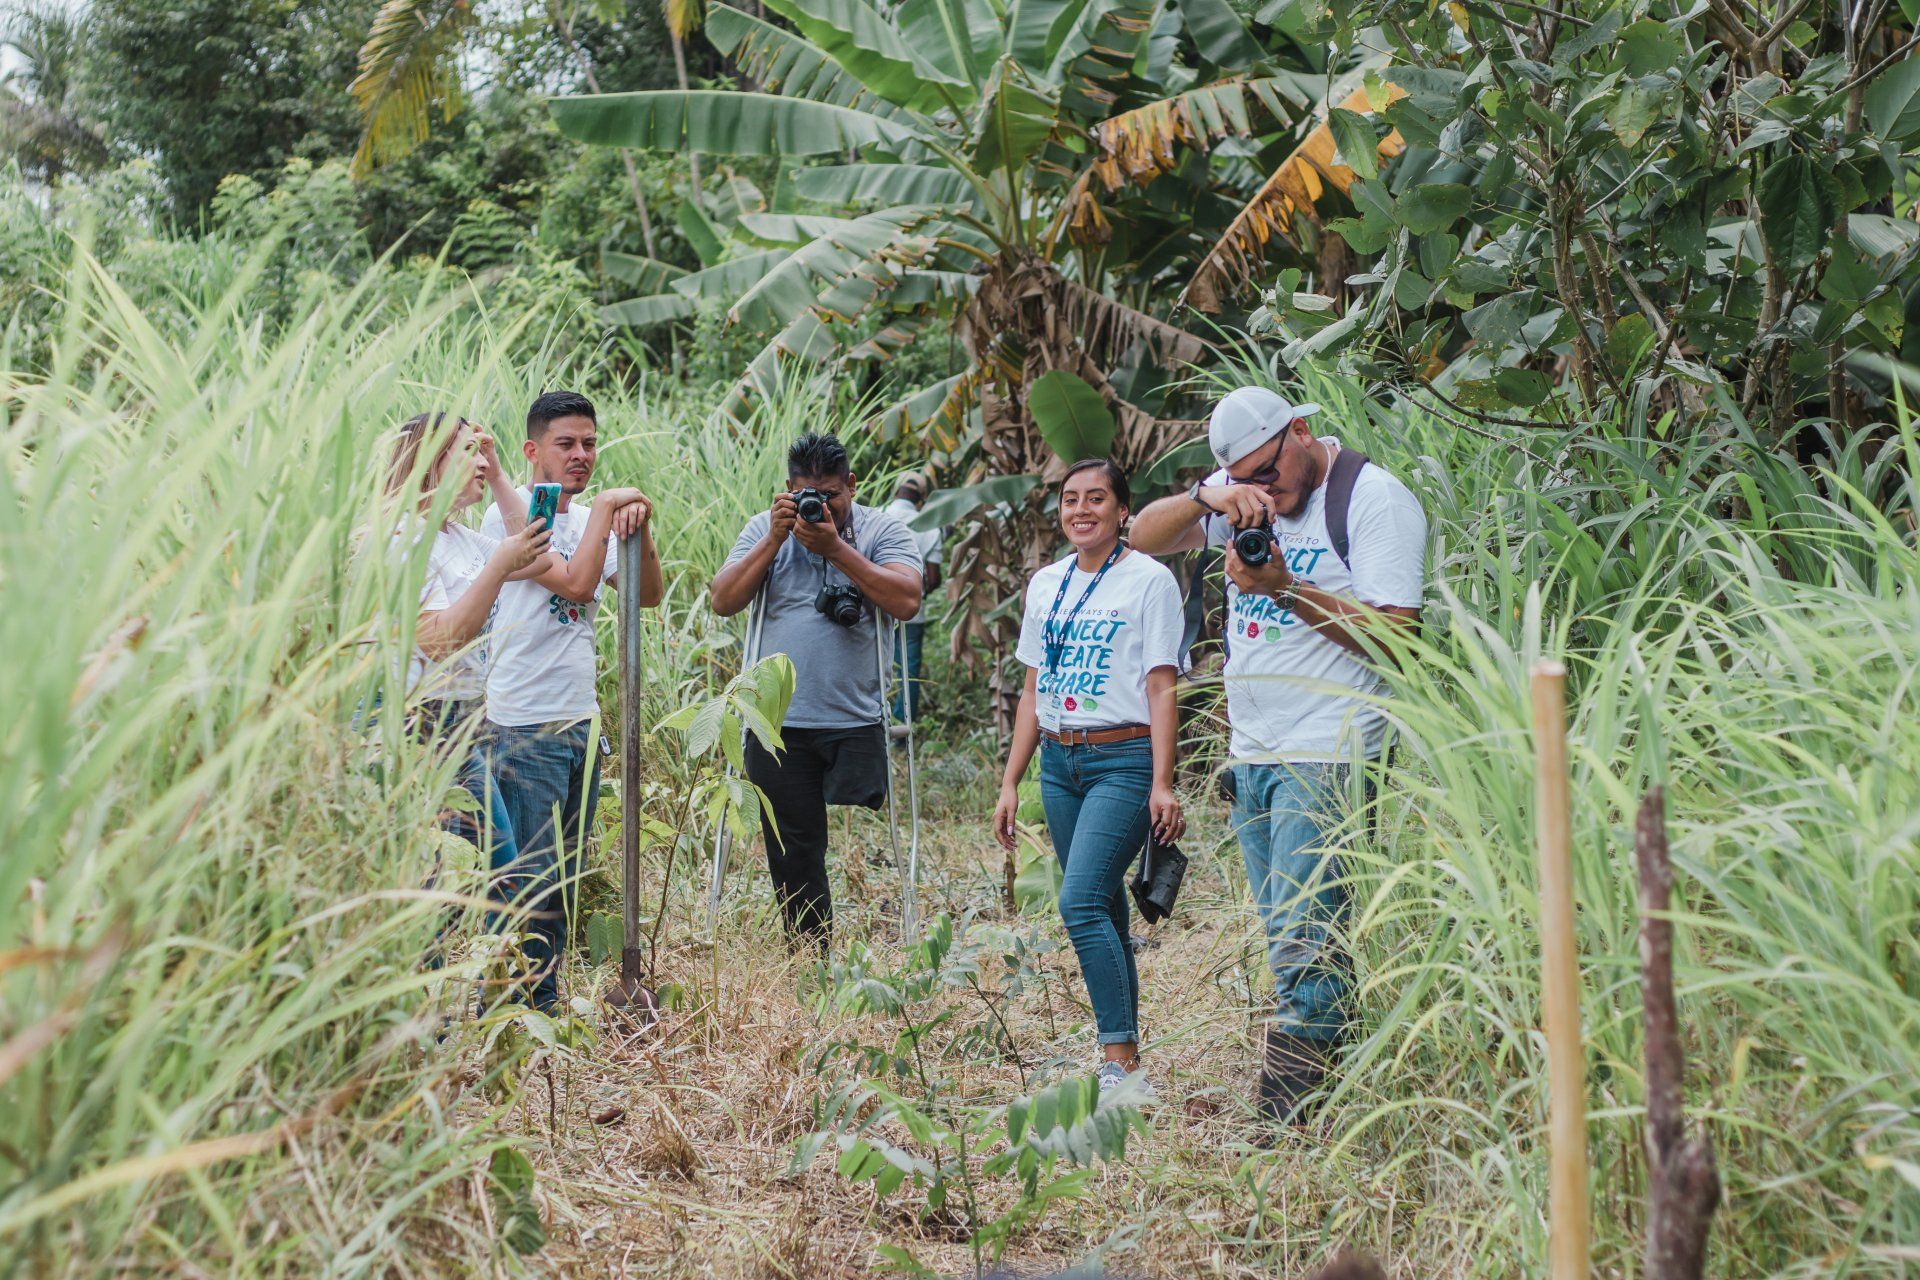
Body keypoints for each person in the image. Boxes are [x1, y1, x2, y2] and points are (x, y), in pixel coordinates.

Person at [1130, 386, 1428, 1124]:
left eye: (1270, 471)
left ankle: (1288, 1129)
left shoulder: (1372, 501)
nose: (1266, 491)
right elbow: (1139, 536)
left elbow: (1400, 640)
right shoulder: (1243, 500)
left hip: (1330, 750)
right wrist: (1211, 497)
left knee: (1306, 943)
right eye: (1249, 479)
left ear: (1300, 431)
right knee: (1290, 938)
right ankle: (1342, 1101)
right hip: (1254, 753)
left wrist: (1286, 587)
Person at [992, 459, 1186, 1093]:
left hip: (1123, 761)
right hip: (1059, 761)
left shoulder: (1150, 581)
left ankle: (1118, 1061)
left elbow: (1161, 685)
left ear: (1122, 509)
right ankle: (1129, 1062)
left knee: (1077, 903)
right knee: (1102, 906)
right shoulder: (1045, 584)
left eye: (1096, 498)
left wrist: (1163, 782)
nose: (1082, 509)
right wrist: (1011, 780)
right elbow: (1032, 689)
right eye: (1071, 499)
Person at [384, 410, 569, 1011]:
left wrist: (496, 485)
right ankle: (432, 1023)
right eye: (469, 453)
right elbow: (438, 640)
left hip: (466, 728)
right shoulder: (397, 539)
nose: (484, 461)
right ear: (426, 461)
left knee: (498, 876)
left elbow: (539, 561)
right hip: (416, 730)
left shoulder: (462, 538)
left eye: (484, 452)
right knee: (442, 883)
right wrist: (496, 567)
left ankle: (505, 1012)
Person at [708, 433, 924, 948]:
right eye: (808, 494)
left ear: (852, 484)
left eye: (831, 494)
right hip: (778, 723)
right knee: (794, 845)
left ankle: (893, 933)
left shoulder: (882, 531)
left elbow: (907, 600)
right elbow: (723, 599)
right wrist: (774, 540)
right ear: (788, 489)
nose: (819, 505)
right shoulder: (766, 530)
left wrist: (836, 548)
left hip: (855, 716)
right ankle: (811, 954)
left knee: (867, 823)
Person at [479, 390, 658, 1010]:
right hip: (525, 725)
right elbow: (578, 585)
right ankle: (520, 1010)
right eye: (565, 444)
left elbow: (648, 594)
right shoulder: (509, 519)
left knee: (568, 877)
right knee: (530, 879)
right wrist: (612, 504)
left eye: (588, 442)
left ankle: (541, 1003)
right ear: (532, 452)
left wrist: (639, 530)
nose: (581, 455)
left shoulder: (586, 521)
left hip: (579, 719)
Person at [884, 472, 942, 731]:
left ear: (896, 491)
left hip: (877, 611)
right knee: (909, 672)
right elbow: (933, 576)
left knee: (875, 666)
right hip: (912, 612)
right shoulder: (927, 523)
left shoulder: (877, 516)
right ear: (921, 500)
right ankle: (902, 726)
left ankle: (878, 724)